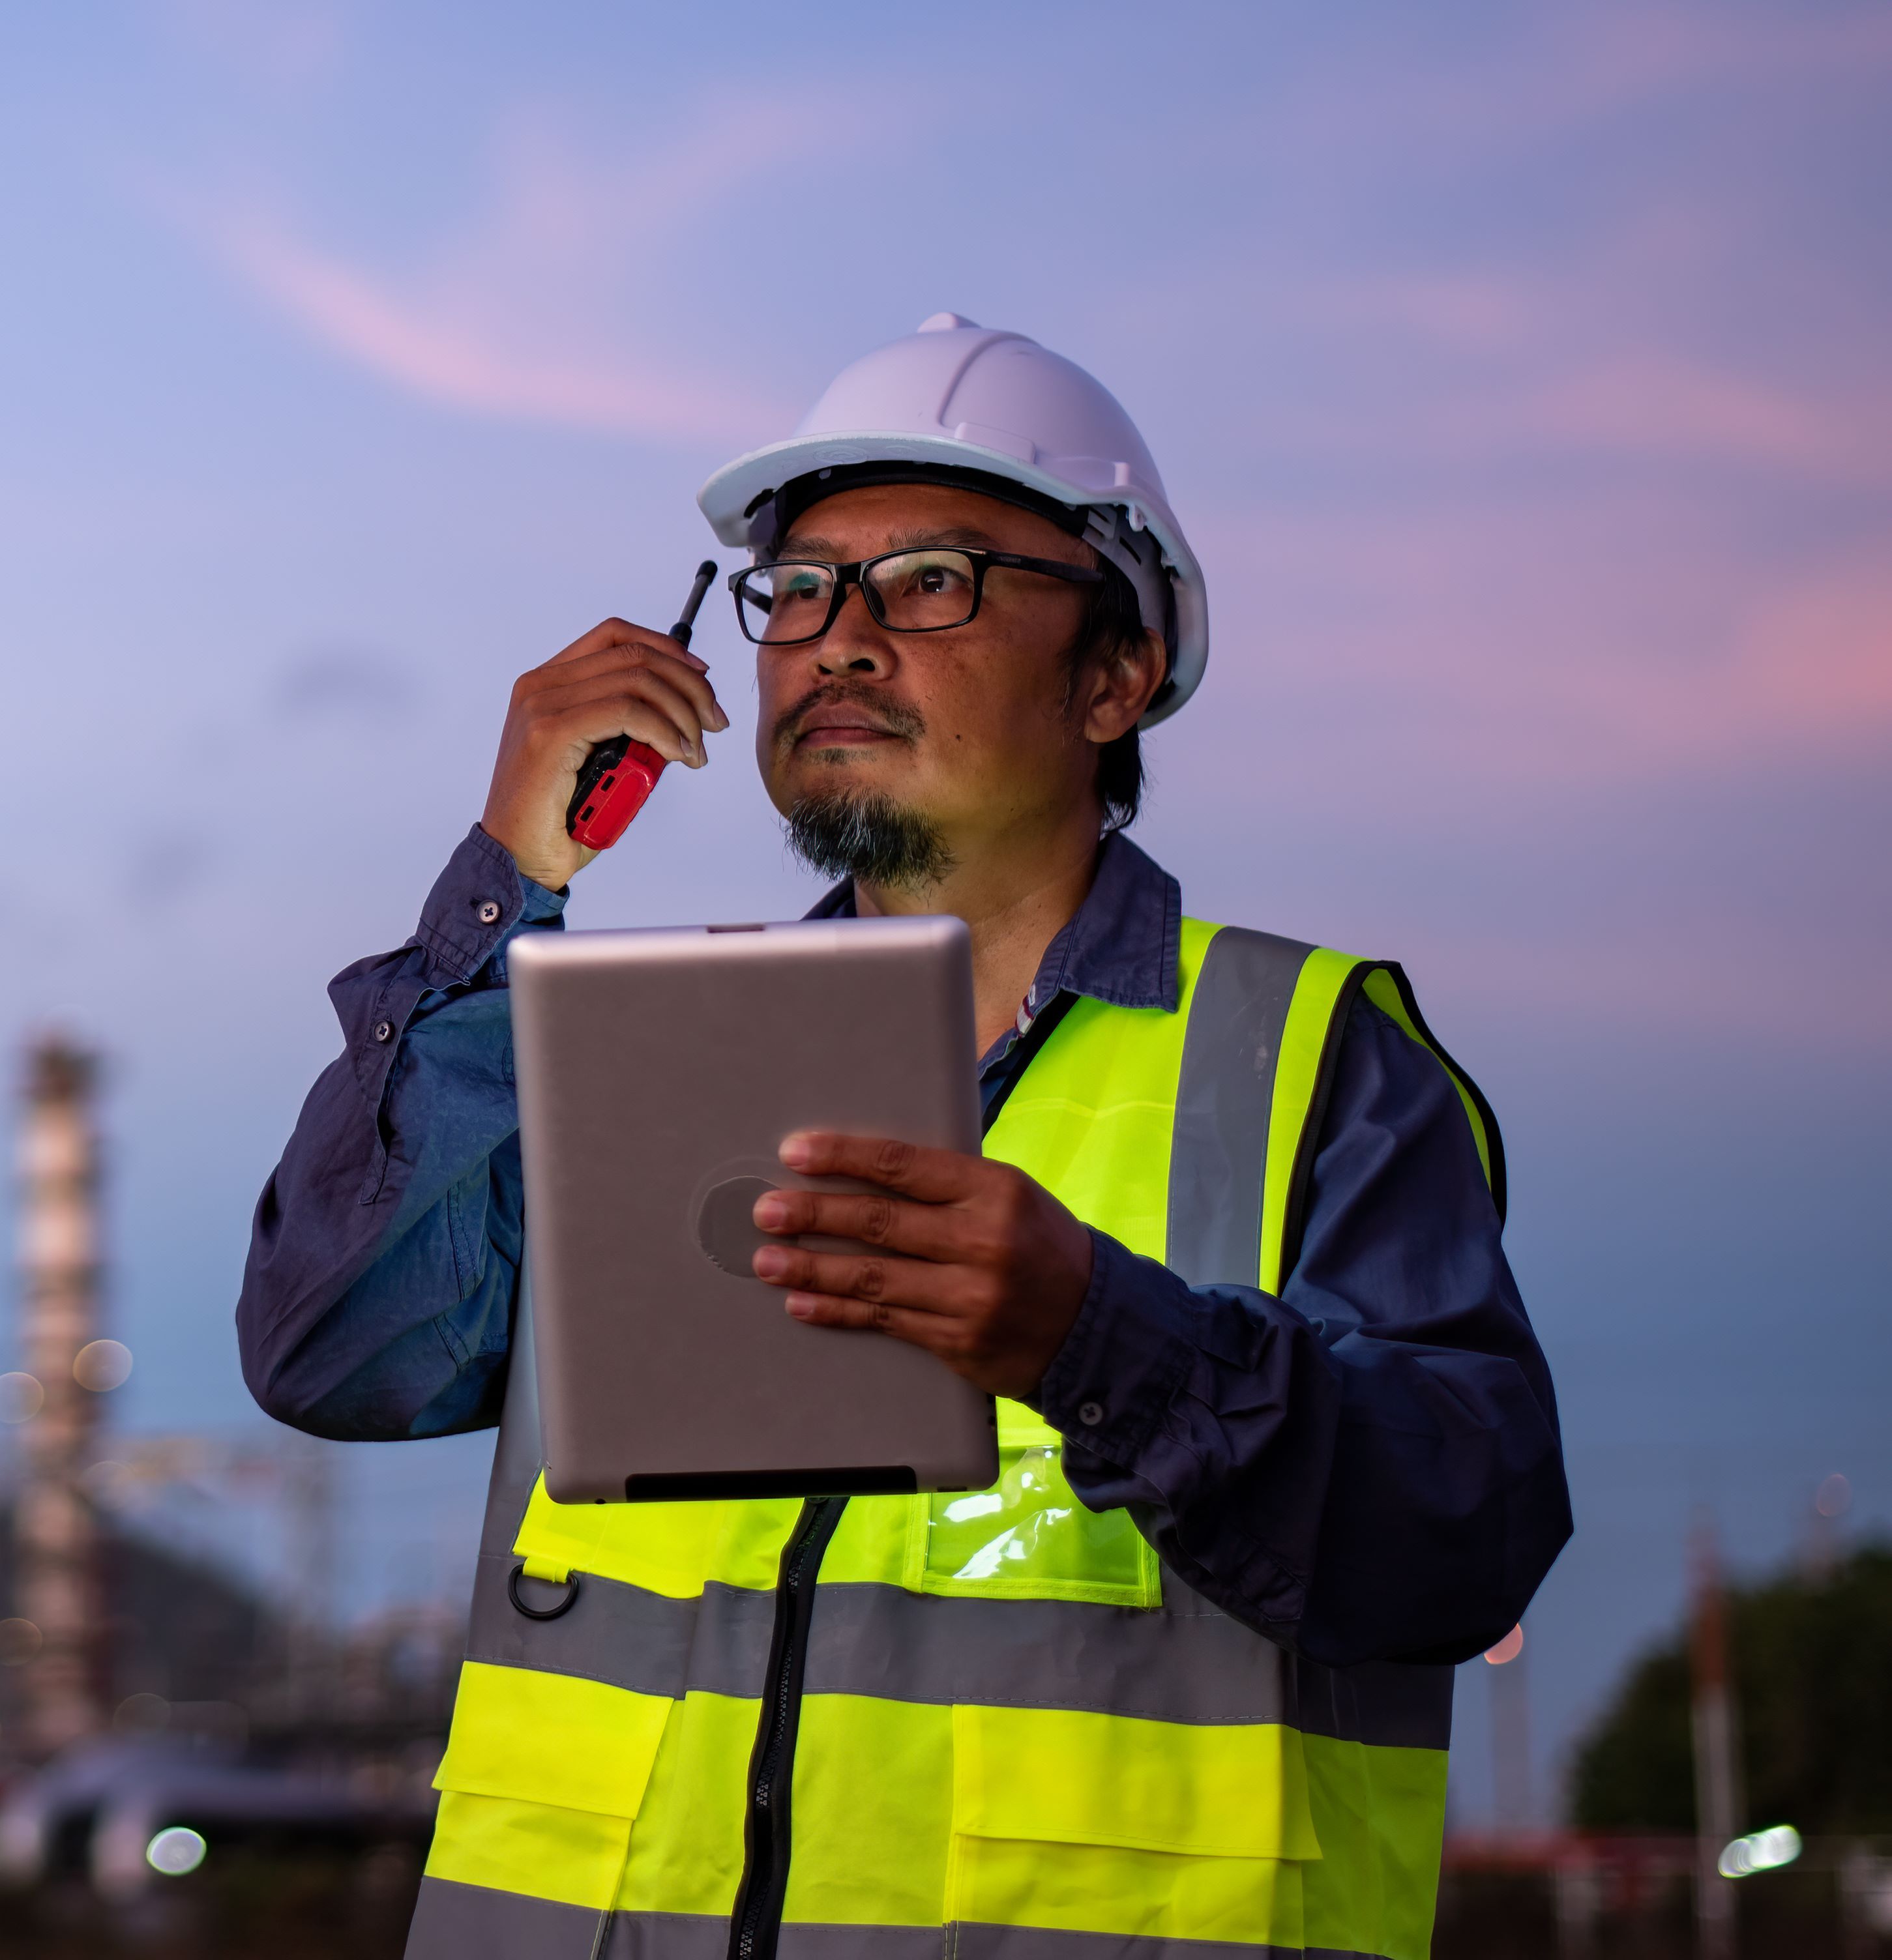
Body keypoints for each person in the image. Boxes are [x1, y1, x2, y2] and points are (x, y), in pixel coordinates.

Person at [236, 315, 1566, 1960]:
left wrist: (1098, 1337)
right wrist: (511, 879)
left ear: (1116, 672)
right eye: (799, 589)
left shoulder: (1304, 1066)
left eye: (932, 579)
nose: (839, 640)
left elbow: (1461, 1541)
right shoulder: (649, 1067)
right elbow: (332, 1350)